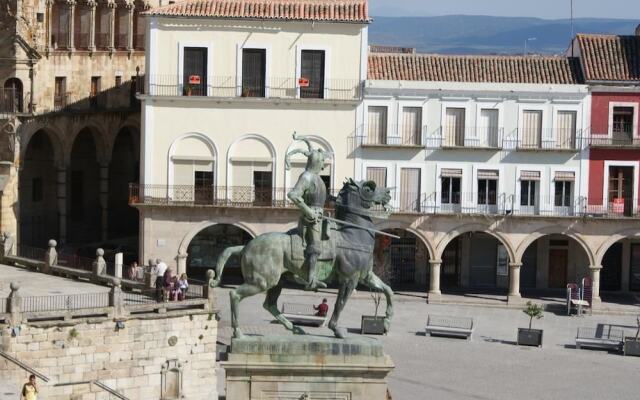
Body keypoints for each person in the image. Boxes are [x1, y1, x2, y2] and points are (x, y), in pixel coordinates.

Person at [286, 132, 329, 291]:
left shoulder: (318, 179)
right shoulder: (307, 177)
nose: (324, 165)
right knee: (315, 245)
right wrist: (308, 211)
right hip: (311, 218)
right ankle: (311, 279)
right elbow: (293, 195)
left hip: (321, 216)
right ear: (317, 161)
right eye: (323, 161)